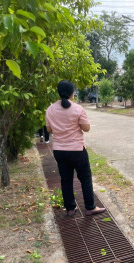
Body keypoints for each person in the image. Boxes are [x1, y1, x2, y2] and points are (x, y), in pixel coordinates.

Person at [46, 80, 105, 216]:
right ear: (72, 93)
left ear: (59, 92)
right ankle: (90, 207)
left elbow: (49, 130)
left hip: (59, 150)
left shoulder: (50, 109)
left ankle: (70, 208)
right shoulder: (78, 109)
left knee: (66, 179)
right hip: (77, 150)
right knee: (85, 178)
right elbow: (86, 128)